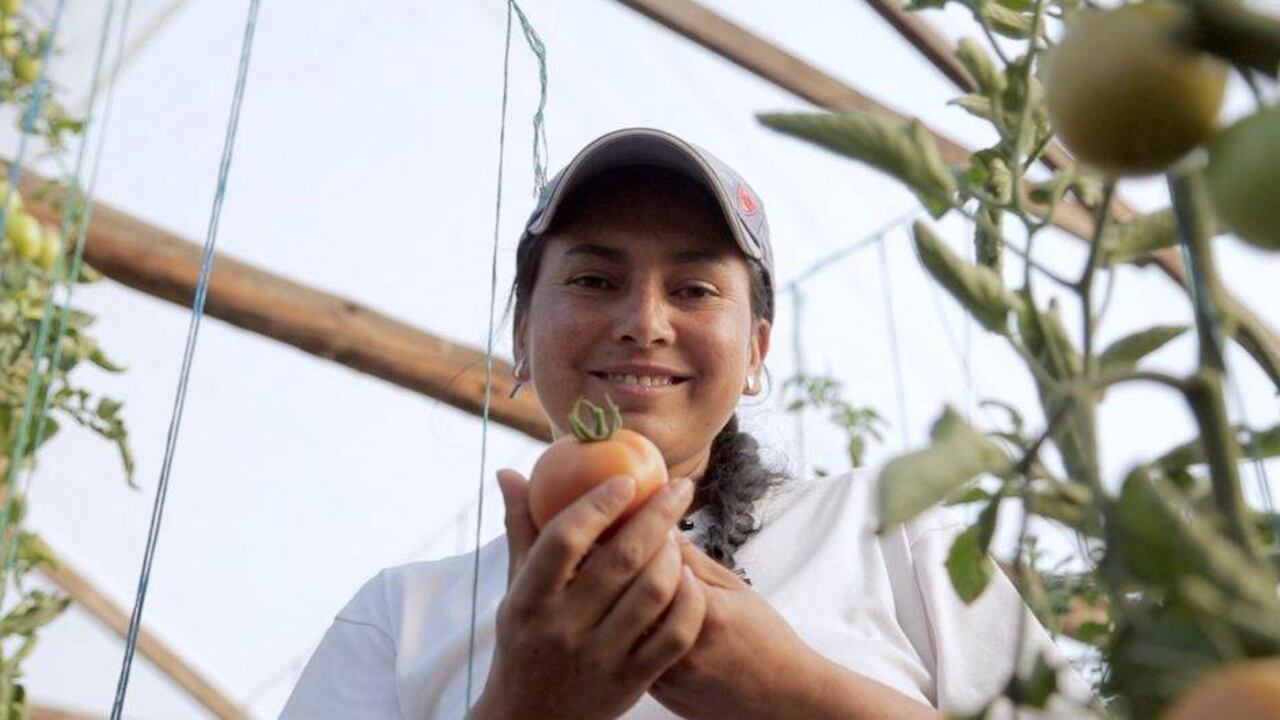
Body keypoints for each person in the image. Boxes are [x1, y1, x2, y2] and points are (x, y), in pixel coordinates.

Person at [280, 128, 1094, 719]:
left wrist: (794, 694)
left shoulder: (887, 537)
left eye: (695, 289)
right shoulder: (405, 619)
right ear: (521, 335)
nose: (643, 321)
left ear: (755, 351)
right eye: (596, 279)